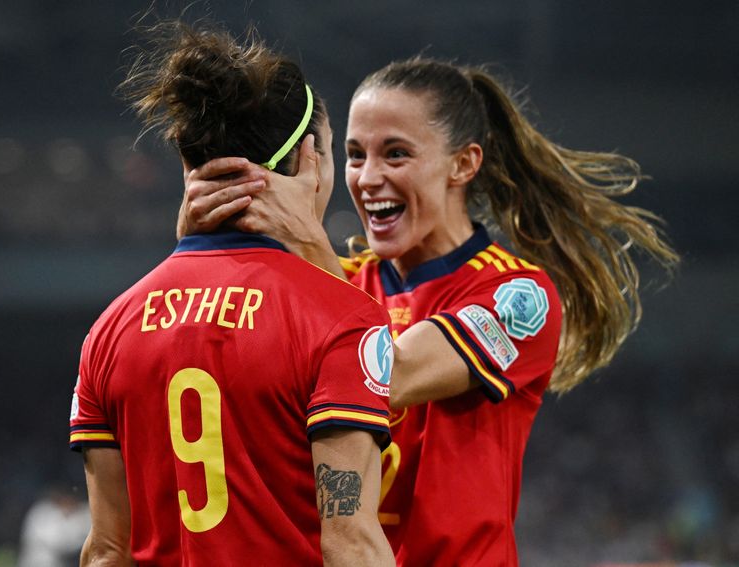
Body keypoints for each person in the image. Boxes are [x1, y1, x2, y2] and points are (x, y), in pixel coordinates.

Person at [179, 56, 679, 566]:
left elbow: (385, 375)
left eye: (396, 154)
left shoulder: (516, 295)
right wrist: (199, 248)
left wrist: (304, 241)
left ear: (463, 164)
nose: (368, 177)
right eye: (354, 155)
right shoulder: (341, 279)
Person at [68, 20, 395, 567]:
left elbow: (106, 551)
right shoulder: (342, 318)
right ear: (308, 163)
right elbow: (350, 543)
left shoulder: (109, 329)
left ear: (188, 168)